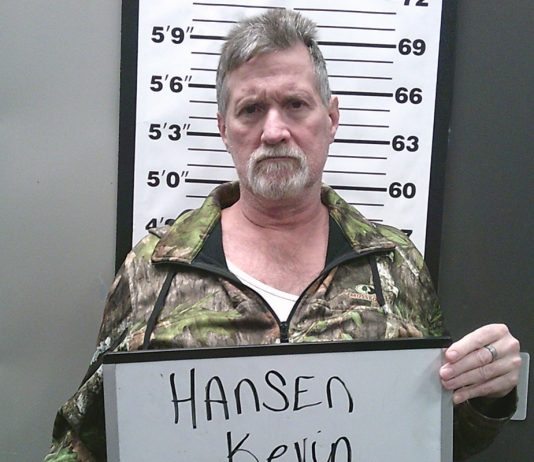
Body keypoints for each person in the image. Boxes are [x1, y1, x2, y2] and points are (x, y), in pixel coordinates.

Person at [44, 9, 521, 461]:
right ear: (223, 130)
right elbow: (85, 440)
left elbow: (439, 439)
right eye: (251, 109)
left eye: (295, 105)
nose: (274, 131)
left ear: (331, 119)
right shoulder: (154, 270)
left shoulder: (395, 264)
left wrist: (489, 394)